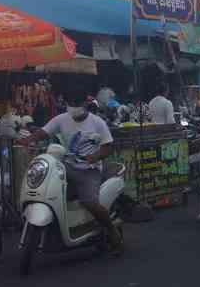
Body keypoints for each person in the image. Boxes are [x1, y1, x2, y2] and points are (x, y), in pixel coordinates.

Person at [20, 91, 123, 254]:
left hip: (89, 170)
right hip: (66, 167)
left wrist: (95, 156)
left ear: (85, 104)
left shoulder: (97, 123)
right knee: (48, 190)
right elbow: (44, 132)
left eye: (77, 104)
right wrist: (29, 139)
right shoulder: (61, 119)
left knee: (90, 202)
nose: (74, 107)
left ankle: (112, 232)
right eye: (71, 104)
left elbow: (108, 146)